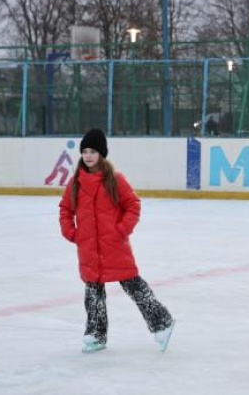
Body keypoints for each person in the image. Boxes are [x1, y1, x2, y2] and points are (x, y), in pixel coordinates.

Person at [59, 128, 175, 353]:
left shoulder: (115, 179)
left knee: (133, 284)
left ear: (102, 154)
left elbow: (133, 205)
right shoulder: (76, 183)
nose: (88, 155)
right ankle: (96, 334)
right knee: (93, 292)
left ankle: (163, 323)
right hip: (89, 248)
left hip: (114, 245)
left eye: (93, 151)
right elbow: (65, 208)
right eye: (85, 151)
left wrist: (120, 231)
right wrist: (72, 232)